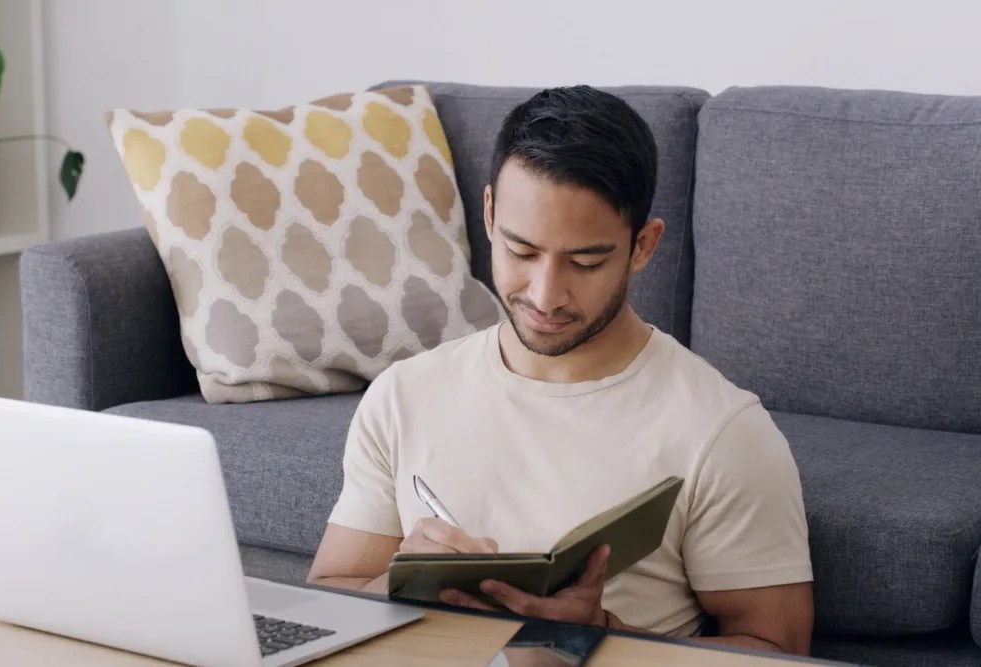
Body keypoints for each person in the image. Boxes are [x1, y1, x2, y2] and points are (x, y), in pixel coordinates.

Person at [307, 85, 814, 655]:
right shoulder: (404, 396)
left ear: (642, 247)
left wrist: (603, 637)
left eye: (587, 261)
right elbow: (329, 600)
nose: (546, 296)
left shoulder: (723, 431)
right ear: (490, 213)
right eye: (522, 252)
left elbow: (780, 651)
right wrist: (398, 587)